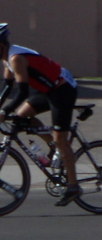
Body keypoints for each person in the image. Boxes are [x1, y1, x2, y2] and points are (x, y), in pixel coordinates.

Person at [0, 23, 81, 206]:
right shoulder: (6, 59)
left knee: (61, 137)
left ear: (1, 45)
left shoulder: (16, 58)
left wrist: (4, 111)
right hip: (47, 90)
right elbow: (7, 87)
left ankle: (73, 186)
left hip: (63, 89)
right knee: (21, 116)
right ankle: (55, 149)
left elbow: (21, 92)